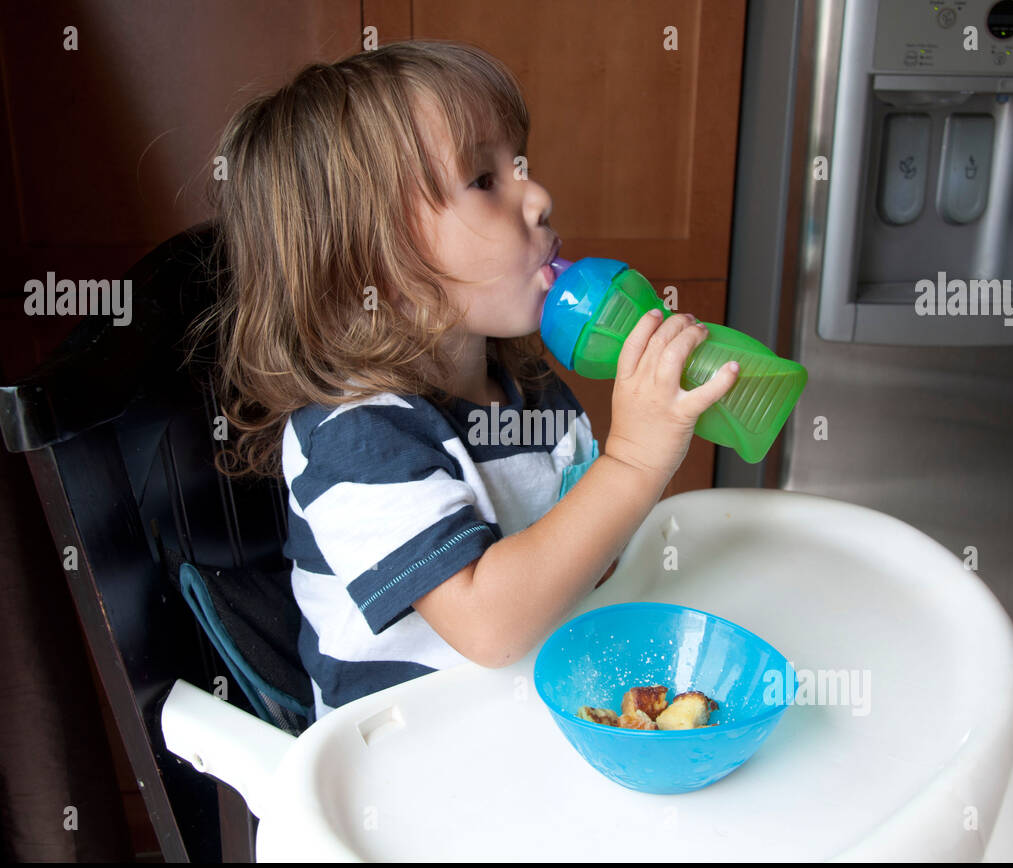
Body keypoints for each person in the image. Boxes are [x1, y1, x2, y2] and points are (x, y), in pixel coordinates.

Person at [188, 39, 738, 720]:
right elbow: (489, 623)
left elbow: (579, 559)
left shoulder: (526, 388)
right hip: (414, 759)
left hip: (533, 704)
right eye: (484, 181)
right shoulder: (354, 436)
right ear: (373, 261)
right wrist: (633, 460)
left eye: (521, 166)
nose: (538, 197)